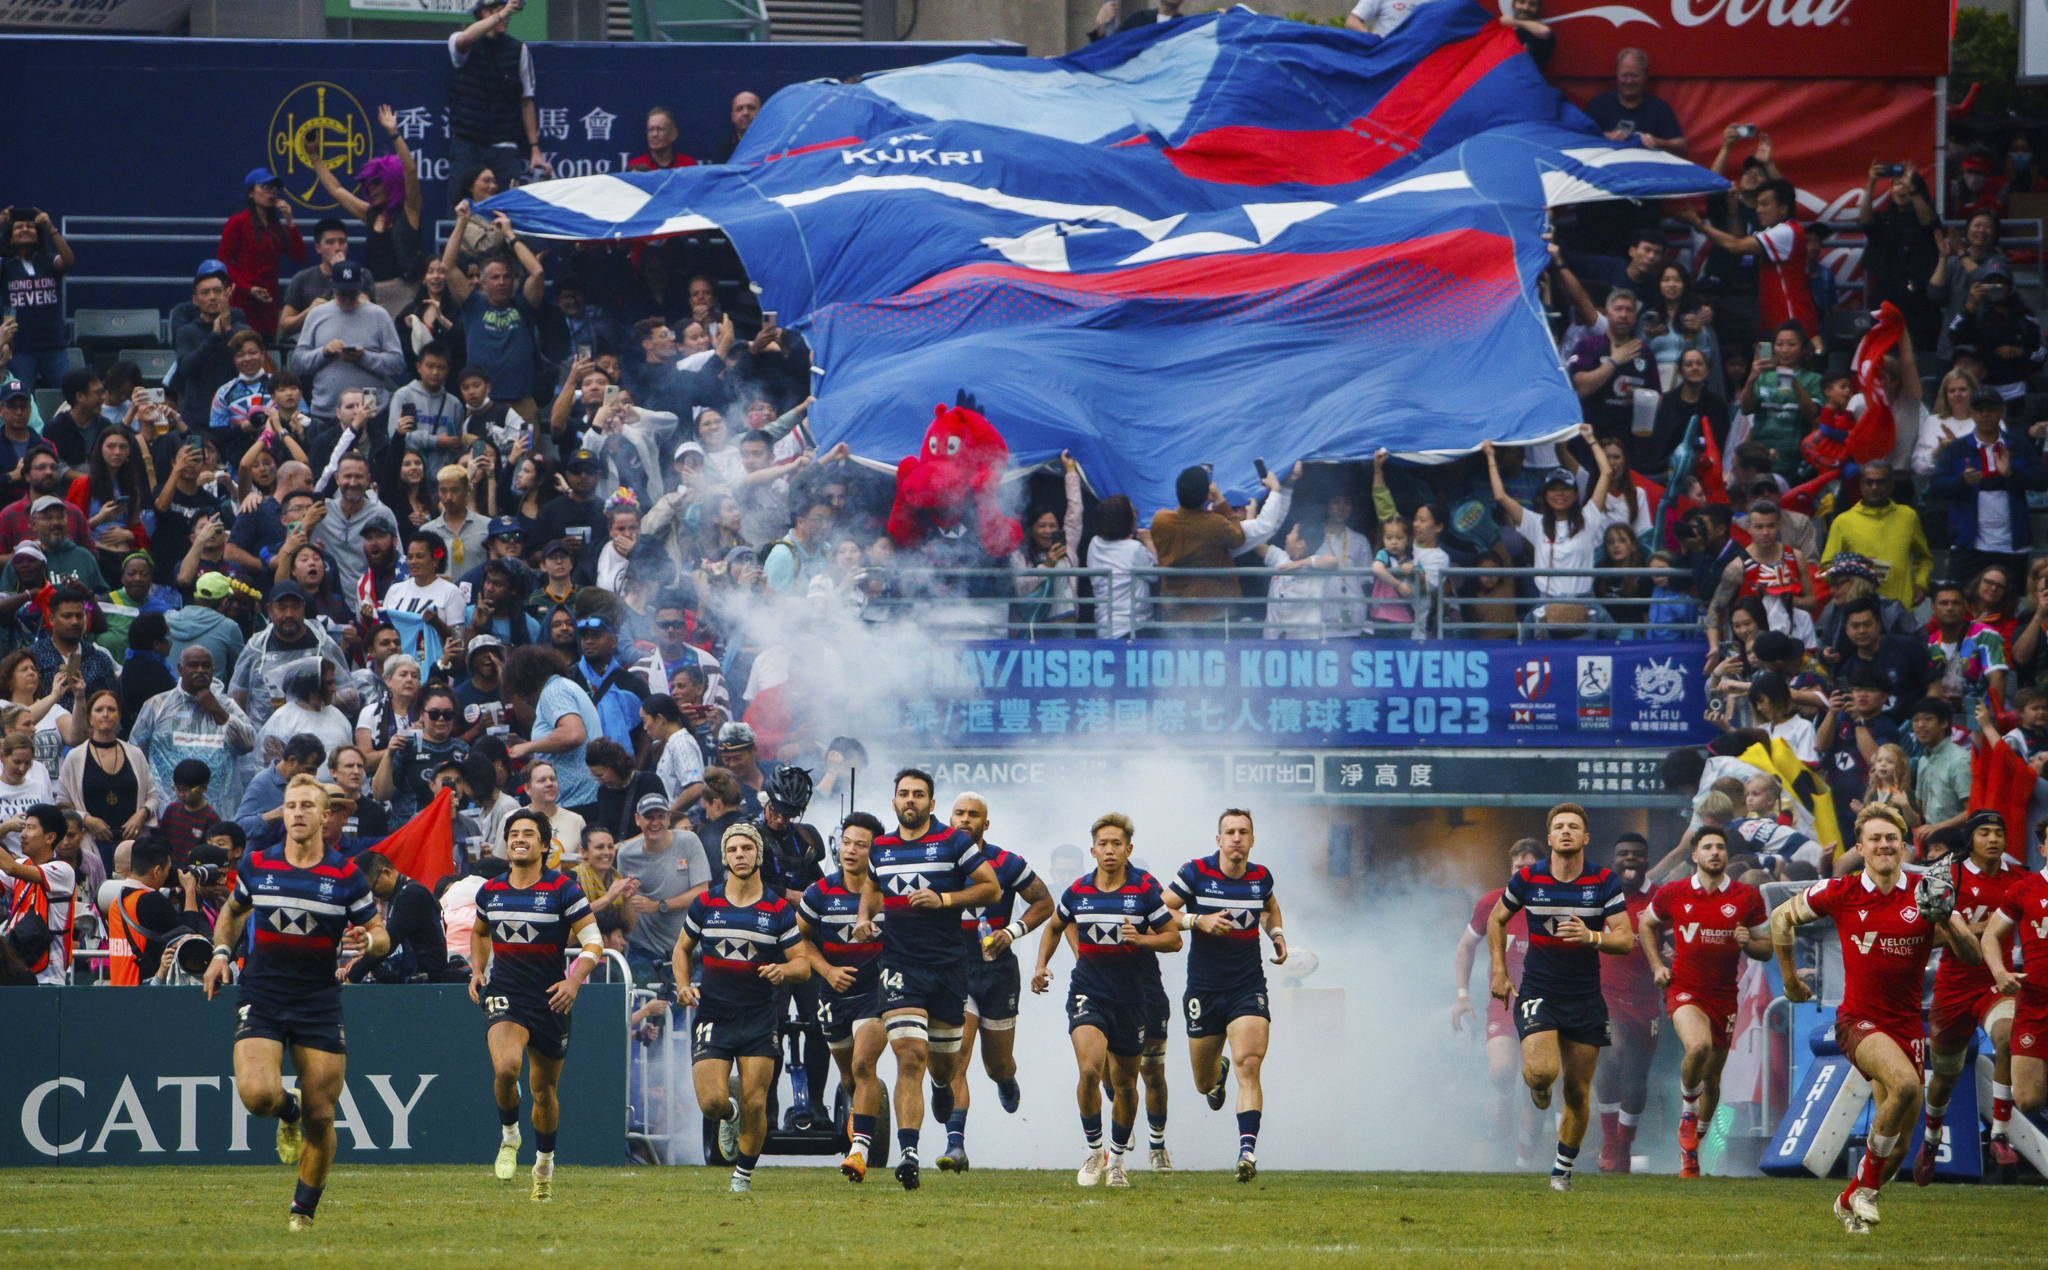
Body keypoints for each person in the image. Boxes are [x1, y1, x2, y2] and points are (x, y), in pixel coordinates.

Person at [1775, 803, 1981, 1233]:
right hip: (1859, 1020)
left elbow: (1971, 956)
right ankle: (1865, 1191)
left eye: (1892, 838)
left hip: (1908, 1024)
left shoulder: (1928, 890)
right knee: (1906, 1085)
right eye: (1875, 838)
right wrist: (1791, 982)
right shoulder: (1840, 891)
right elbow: (1780, 918)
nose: (1884, 845)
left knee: (1900, 1144)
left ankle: (1848, 1199)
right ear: (1860, 847)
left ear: (1903, 845)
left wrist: (1950, 921)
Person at [202, 776, 388, 1232]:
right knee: (259, 1096)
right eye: (290, 805)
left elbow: (380, 935)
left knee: (322, 1117)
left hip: (318, 1001)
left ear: (326, 817)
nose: (298, 812)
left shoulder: (346, 874)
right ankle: (288, 1111)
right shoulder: (258, 864)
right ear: (282, 813)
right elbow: (231, 913)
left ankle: (301, 1214)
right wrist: (221, 954)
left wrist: (369, 941)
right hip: (263, 995)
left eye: (308, 805)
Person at [845, 767, 1001, 1190]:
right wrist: (863, 917)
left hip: (949, 969)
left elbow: (991, 889)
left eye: (918, 794)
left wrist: (944, 898)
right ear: (894, 801)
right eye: (903, 794)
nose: (909, 800)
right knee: (909, 1056)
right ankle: (908, 1152)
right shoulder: (882, 848)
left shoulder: (954, 841)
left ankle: (941, 1083)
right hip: (900, 966)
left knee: (944, 1066)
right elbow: (873, 889)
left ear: (932, 804)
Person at [1487, 802, 1634, 1192]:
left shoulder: (1603, 881)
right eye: (1559, 827)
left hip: (1585, 995)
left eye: (1573, 826)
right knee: (1541, 1073)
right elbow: (1495, 919)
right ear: (1550, 838)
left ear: (1585, 838)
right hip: (1539, 990)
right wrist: (1500, 972)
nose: (1566, 831)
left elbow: (1625, 938)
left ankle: (1561, 1171)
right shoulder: (1529, 878)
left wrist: (1591, 936)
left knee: (1577, 1089)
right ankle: (1536, 1086)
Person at [1030, 811, 1179, 1189]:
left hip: (1131, 999)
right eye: (1103, 844)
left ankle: (1117, 1160)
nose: (1110, 850)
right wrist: (1040, 965)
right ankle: (1094, 1151)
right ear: (1092, 850)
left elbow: (1174, 939)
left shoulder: (1143, 891)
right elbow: (1054, 927)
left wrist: (1142, 939)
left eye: (1117, 844)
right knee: (1090, 1071)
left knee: (1127, 1084)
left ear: (1128, 850)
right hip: (1088, 993)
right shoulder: (1077, 891)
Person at [469, 807, 600, 1202]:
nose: (519, 839)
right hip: (506, 992)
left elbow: (594, 943)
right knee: (506, 1068)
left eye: (529, 833)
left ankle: (544, 1165)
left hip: (551, 999)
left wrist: (574, 979)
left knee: (543, 1091)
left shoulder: (564, 889)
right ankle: (510, 1137)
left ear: (545, 846)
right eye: (513, 833)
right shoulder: (490, 890)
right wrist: (477, 971)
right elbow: (479, 931)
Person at [673, 821, 809, 1193]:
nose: (740, 855)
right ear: (724, 858)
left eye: (746, 849)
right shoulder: (706, 902)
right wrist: (683, 985)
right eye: (733, 850)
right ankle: (728, 1117)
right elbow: (681, 950)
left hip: (759, 1016)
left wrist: (783, 969)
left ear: (758, 854)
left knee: (755, 1100)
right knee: (714, 1102)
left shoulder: (778, 909)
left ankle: (742, 1177)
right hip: (714, 1013)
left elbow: (803, 963)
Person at [1161, 808, 1286, 1181]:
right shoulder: (1196, 873)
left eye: (1243, 831)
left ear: (1251, 839)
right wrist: (1196, 920)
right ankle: (1217, 1076)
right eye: (1229, 831)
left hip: (1247, 985)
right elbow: (1161, 909)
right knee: (1203, 1083)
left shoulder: (1261, 876)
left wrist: (1276, 934)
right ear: (1218, 840)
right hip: (1204, 988)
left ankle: (1247, 1152)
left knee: (1250, 1063)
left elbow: (1270, 908)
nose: (1236, 838)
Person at [1638, 825, 1770, 1178]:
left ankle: (1692, 1147)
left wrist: (1749, 942)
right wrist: (1656, 966)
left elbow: (1767, 947)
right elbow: (1645, 924)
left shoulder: (1747, 897)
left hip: (1724, 996)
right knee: (1697, 1048)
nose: (1715, 852)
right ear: (1694, 855)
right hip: (1684, 989)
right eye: (1708, 847)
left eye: (1720, 847)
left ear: (1727, 855)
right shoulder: (1674, 892)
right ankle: (1686, 1113)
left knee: (1713, 1080)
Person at [936, 792, 1054, 1173]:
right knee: (959, 1055)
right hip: (954, 969)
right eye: (959, 813)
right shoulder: (935, 859)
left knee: (996, 1064)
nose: (965, 820)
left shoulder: (1006, 862)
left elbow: (1044, 902)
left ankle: (1006, 1079)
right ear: (948, 818)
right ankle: (956, 1146)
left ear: (986, 824)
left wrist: (1013, 930)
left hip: (998, 972)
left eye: (974, 815)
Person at [1917, 810, 2022, 1184]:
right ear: (1971, 840)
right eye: (1984, 833)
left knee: (2006, 1037)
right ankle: (1930, 1142)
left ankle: (1999, 1135)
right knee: (1945, 1077)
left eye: (1998, 832)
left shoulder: (2020, 880)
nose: (1993, 839)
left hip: (1997, 982)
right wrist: (1974, 928)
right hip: (1952, 988)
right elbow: (1927, 937)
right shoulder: (1950, 875)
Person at [797, 811, 889, 1182]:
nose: (851, 851)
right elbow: (798, 939)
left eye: (861, 845)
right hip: (832, 995)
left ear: (875, 850)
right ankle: (857, 1113)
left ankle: (858, 1153)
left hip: (877, 992)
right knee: (851, 1077)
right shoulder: (819, 892)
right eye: (846, 842)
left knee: (866, 1065)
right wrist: (828, 971)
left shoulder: (889, 892)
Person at [1453, 838, 1544, 1168]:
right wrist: (1462, 996)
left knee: (1537, 1080)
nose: (1523, 873)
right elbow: (1466, 947)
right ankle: (1505, 1101)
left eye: (1529, 868)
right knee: (1503, 1070)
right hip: (1504, 1004)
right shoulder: (1492, 904)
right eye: (1517, 868)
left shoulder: (1553, 907)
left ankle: (1523, 1159)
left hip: (1544, 1007)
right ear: (1510, 869)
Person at [1931, 388, 2048, 587]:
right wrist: (1962, 482)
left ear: (2002, 411)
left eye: (1991, 409)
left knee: (2010, 606)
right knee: (1965, 604)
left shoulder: (2019, 445)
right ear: (1971, 413)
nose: (1985, 414)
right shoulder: (1956, 449)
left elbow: (2041, 481)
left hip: (2013, 545)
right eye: (1979, 409)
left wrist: (2012, 474)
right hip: (1969, 544)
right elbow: (1936, 487)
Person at [442, 205, 547, 423]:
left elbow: (537, 272)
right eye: (495, 277)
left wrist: (510, 234)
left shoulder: (524, 305)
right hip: (482, 405)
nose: (501, 282)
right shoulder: (474, 305)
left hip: (522, 405)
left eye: (507, 277)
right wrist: (461, 222)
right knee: (480, 456)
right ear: (483, 282)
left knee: (525, 457)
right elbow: (448, 267)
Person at [1683, 181, 1814, 351]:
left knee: (1788, 375)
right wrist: (1732, 209)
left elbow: (1735, 245)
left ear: (1783, 209)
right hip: (1769, 325)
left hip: (1791, 328)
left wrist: (1697, 222)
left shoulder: (1788, 232)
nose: (1758, 210)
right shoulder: (1773, 232)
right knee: (1762, 372)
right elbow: (1741, 243)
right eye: (1758, 204)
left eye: (1765, 204)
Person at [130, 644, 256, 817]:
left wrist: (217, 710)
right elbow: (135, 753)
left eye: (206, 665)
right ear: (181, 669)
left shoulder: (227, 706)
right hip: (168, 814)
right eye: (193, 665)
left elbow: (248, 744)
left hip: (219, 815)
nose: (200, 670)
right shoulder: (157, 706)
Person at [447, 0, 553, 206]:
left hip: (504, 144)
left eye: (508, 13)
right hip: (467, 143)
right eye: (499, 11)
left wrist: (534, 148)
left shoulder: (519, 50)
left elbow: (527, 100)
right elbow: (463, 41)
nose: (507, 17)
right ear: (484, 13)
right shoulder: (461, 41)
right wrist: (500, 14)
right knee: (461, 209)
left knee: (508, 209)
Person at [1980, 857, 2048, 1145]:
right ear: (2043, 848)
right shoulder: (2024, 889)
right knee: (2028, 1098)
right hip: (2035, 1001)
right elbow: (1990, 935)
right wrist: (1999, 972)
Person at [613, 792, 710, 984]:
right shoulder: (626, 854)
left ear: (668, 818)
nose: (655, 823)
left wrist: (658, 906)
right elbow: (627, 902)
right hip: (642, 949)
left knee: (687, 1011)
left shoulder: (689, 842)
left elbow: (702, 892)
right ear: (637, 820)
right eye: (649, 817)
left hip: (686, 947)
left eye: (661, 816)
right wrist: (627, 897)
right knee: (643, 1009)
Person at [217, 169, 304, 340]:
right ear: (250, 193)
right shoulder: (238, 223)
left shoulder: (277, 228)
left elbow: (300, 257)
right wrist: (248, 288)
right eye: (265, 187)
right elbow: (224, 263)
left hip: (268, 304)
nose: (271, 192)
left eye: (274, 188)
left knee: (266, 352)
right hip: (242, 302)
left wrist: (291, 221)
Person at [0, 802, 76, 983]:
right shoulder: (24, 864)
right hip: (17, 973)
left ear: (50, 837)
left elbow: (10, 868)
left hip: (46, 979)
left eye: (31, 828)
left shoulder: (62, 871)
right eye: (23, 827)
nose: (23, 834)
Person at [629, 106, 696, 172]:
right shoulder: (635, 166)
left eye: (660, 129)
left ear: (673, 134)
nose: (654, 134)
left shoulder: (688, 165)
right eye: (650, 130)